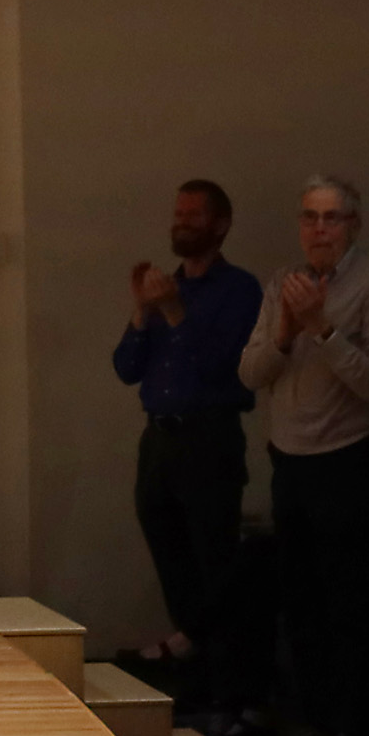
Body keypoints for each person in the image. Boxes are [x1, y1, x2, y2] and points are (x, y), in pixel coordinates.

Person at [237, 175, 369, 736]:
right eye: (309, 217)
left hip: (349, 458)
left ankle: (361, 733)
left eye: (332, 218)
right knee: (303, 602)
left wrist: (322, 330)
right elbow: (250, 374)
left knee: (349, 604)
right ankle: (315, 723)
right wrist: (286, 331)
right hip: (290, 460)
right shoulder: (280, 286)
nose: (319, 229)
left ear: (354, 226)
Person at [113, 180, 265, 684]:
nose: (181, 222)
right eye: (178, 213)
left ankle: (232, 683)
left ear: (219, 225)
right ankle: (191, 668)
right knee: (170, 554)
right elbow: (127, 367)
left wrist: (175, 311)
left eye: (194, 215)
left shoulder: (239, 290)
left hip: (209, 438)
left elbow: (223, 366)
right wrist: (142, 311)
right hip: (158, 440)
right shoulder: (164, 288)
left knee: (213, 562)